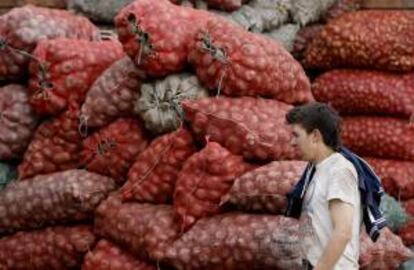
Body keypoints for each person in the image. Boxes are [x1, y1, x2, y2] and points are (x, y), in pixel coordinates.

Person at [284, 102, 386, 270]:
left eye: (296, 135)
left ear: (315, 135)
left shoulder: (339, 171)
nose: (292, 143)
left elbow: (343, 231)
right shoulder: (317, 170)